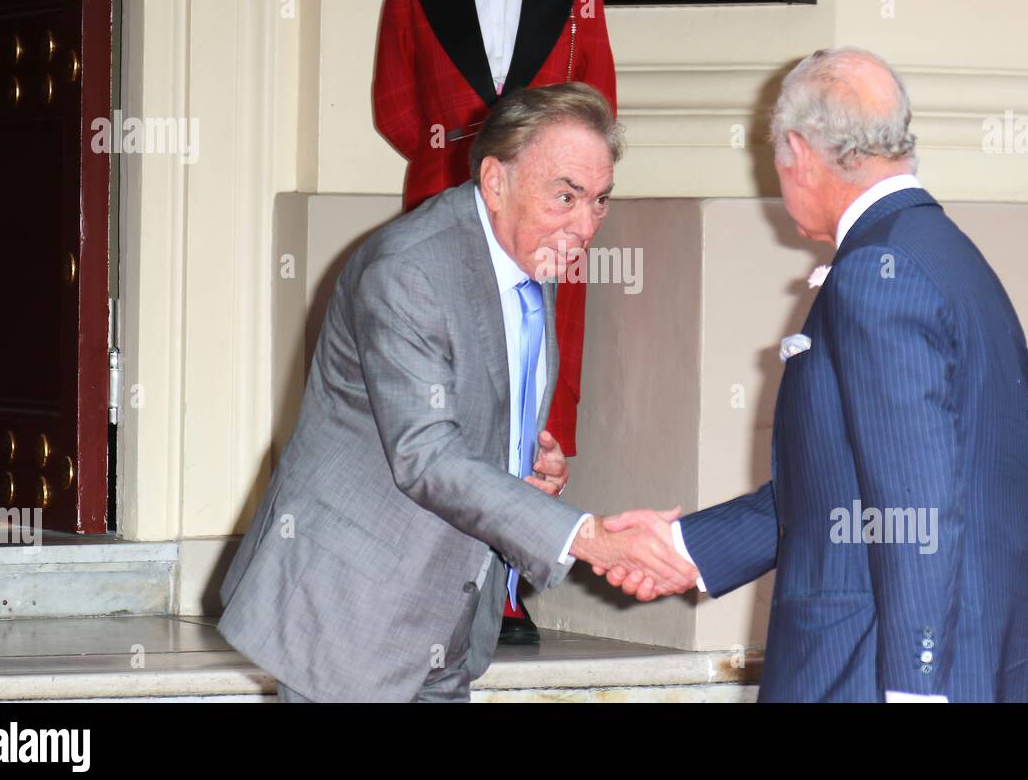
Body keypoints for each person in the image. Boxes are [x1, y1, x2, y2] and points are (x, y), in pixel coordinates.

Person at [218, 83, 695, 702]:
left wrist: (524, 464)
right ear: (495, 181)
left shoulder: (528, 253)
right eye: (566, 197)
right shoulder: (407, 271)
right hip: (350, 619)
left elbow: (471, 411)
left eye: (600, 201)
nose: (585, 227)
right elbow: (428, 457)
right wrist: (586, 535)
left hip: (449, 617)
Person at [600, 48, 1028, 702]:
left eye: (777, 159)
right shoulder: (954, 261)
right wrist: (683, 547)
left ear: (799, 152)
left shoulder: (877, 273)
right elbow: (848, 486)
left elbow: (916, 501)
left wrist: (916, 688)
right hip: (968, 659)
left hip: (877, 671)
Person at [373, 0, 616, 640]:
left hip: (540, 219)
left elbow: (596, 102)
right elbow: (394, 107)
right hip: (448, 206)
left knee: (530, 378)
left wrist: (539, 183)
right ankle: (449, 576)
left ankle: (512, 584)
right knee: (454, 383)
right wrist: (476, 170)